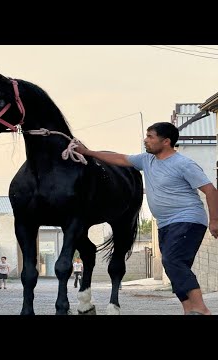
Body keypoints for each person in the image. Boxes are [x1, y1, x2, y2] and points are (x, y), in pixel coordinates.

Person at [74, 121, 218, 315]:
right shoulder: (146, 160)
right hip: (166, 223)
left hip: (188, 219)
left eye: (150, 137)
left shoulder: (183, 164)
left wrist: (215, 221)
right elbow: (118, 158)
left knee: (173, 261)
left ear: (166, 141)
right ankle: (188, 309)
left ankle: (201, 309)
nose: (145, 140)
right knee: (174, 266)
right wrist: (88, 152)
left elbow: (210, 190)